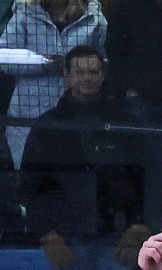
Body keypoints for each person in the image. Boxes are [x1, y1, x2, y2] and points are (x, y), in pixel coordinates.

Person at [20, 43, 144, 270]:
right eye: (80, 72)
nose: (88, 78)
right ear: (67, 75)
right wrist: (45, 233)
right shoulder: (46, 127)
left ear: (102, 75)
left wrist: (140, 227)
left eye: (94, 72)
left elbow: (149, 180)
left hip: (117, 240)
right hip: (68, 243)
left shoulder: (125, 123)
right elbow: (29, 187)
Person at [0, 0, 108, 168]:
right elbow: (5, 59)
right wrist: (42, 63)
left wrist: (75, 67)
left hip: (77, 115)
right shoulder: (24, 12)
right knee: (29, 177)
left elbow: (102, 60)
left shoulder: (93, 15)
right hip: (27, 114)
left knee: (73, 176)